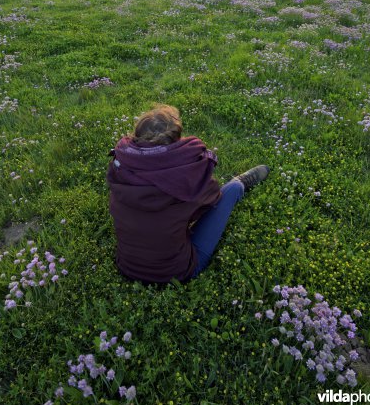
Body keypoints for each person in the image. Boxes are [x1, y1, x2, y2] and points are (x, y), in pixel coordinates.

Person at [107, 104, 269, 284]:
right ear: (176, 141)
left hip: (127, 267)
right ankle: (239, 184)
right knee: (228, 192)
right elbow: (212, 199)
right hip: (176, 272)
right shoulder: (184, 178)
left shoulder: (120, 170)